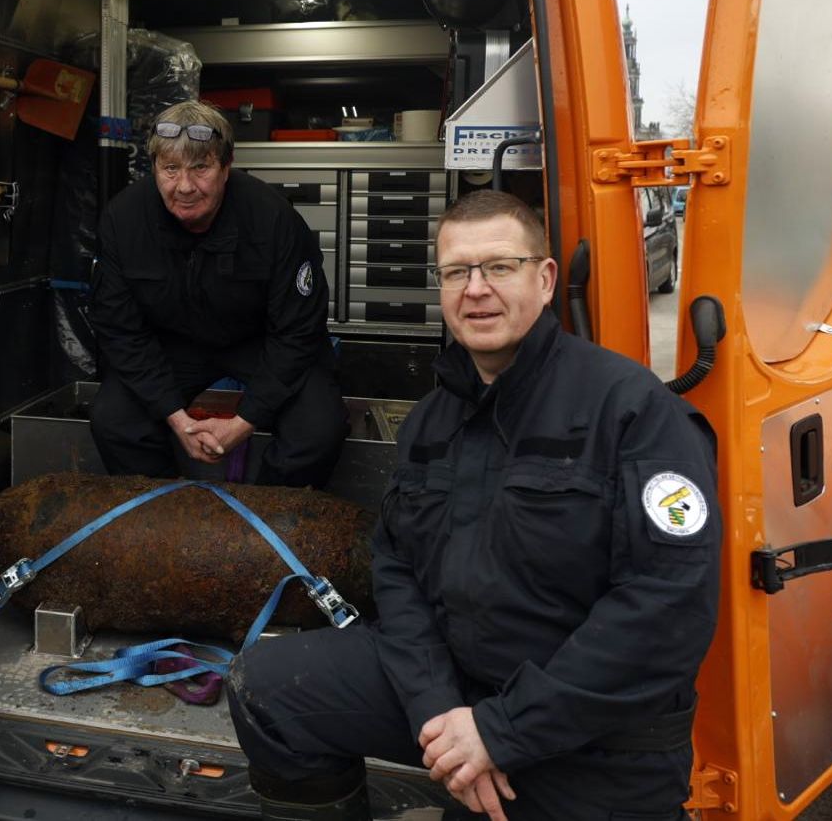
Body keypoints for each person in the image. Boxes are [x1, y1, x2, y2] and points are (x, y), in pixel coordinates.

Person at [225, 190, 721, 820]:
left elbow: (666, 608)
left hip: (595, 738)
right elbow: (397, 568)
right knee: (268, 687)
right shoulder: (432, 422)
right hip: (460, 694)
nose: (476, 289)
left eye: (498, 267)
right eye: (456, 272)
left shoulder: (633, 411)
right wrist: (436, 711)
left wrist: (500, 732)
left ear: (544, 281)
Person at [89, 99, 348, 488]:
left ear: (226, 167)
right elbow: (120, 330)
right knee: (114, 420)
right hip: (173, 345)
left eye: (201, 167)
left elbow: (298, 331)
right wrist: (177, 419)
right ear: (154, 167)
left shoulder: (273, 219)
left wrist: (244, 423)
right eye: (170, 168)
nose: (185, 186)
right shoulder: (122, 220)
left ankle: (265, 521)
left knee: (319, 428)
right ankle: (163, 513)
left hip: (260, 343)